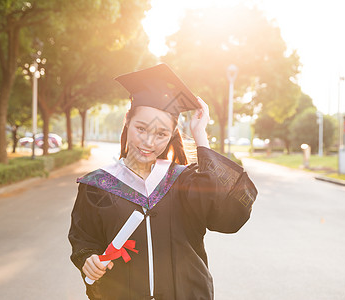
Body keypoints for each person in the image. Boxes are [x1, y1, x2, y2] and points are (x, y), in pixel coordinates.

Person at [68, 63, 257, 300]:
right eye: (141, 128)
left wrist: (200, 135)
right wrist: (88, 260)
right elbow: (84, 239)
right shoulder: (98, 185)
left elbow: (228, 216)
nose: (148, 142)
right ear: (127, 121)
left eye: (161, 134)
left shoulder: (186, 181)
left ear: (171, 135)